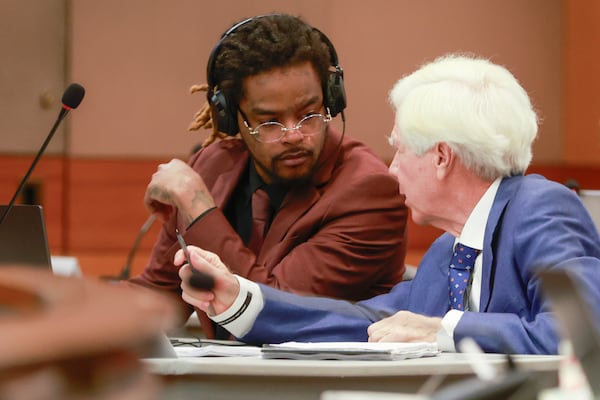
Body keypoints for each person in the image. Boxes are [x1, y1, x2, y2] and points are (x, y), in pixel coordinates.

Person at [175, 54, 600, 354]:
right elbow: (370, 320)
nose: (392, 170)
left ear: (440, 157)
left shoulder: (541, 209)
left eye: (400, 151)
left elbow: (585, 334)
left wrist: (442, 329)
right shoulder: (448, 252)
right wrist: (240, 300)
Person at [129, 14, 408, 337]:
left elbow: (271, 308)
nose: (293, 134)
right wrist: (76, 307)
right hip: (224, 380)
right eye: (269, 121)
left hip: (318, 382)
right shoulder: (212, 166)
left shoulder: (370, 191)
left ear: (331, 99)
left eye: (309, 114)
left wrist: (196, 204)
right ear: (231, 118)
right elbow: (161, 292)